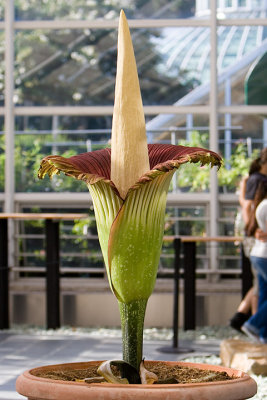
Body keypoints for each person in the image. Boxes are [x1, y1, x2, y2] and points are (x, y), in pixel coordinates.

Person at [230, 149, 267, 332]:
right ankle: (254, 324)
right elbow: (247, 206)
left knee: (259, 283)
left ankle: (248, 321)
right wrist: (253, 230)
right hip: (256, 237)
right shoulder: (256, 180)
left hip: (257, 235)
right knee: (259, 284)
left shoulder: (256, 178)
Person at [241, 180, 267, 343]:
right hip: (265, 254)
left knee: (264, 294)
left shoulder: (261, 205)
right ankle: (253, 324)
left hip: (258, 254)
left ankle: (264, 334)